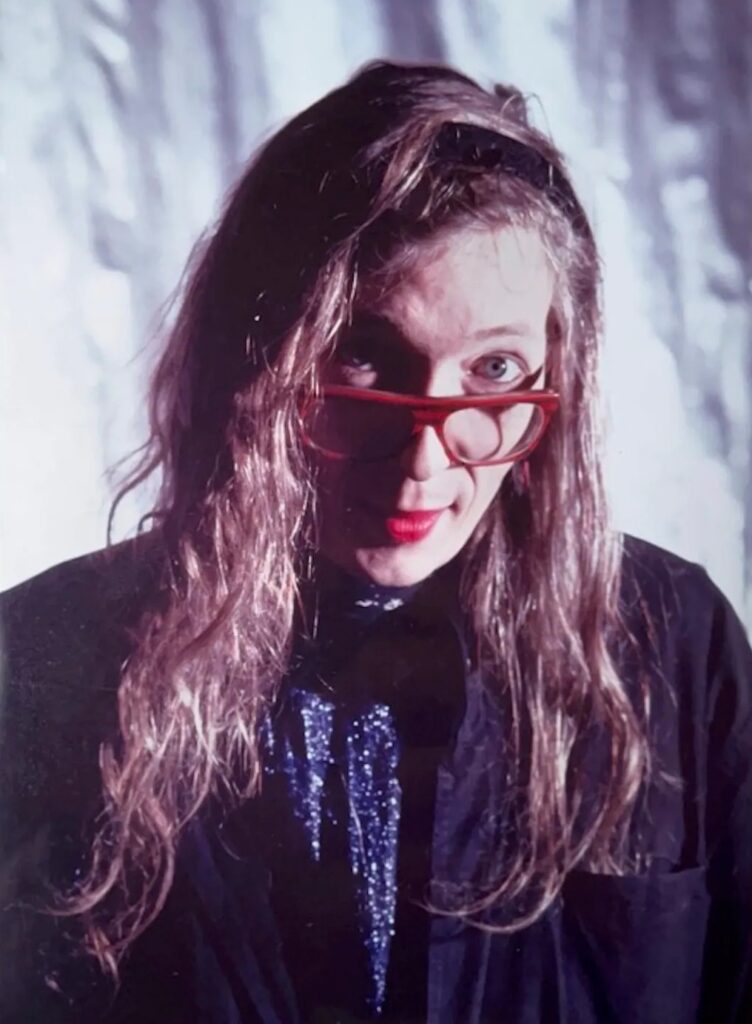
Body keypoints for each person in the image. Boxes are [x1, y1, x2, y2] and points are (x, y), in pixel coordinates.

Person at [0, 60, 750, 1024]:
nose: (424, 461)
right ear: (259, 359)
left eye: (495, 369)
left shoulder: (673, 647)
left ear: (559, 373)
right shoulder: (46, 660)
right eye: (365, 356)